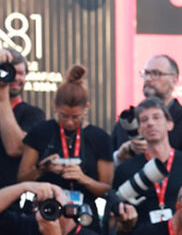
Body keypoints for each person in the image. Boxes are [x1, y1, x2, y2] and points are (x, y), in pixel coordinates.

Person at [17, 65, 113, 221]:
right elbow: (21, 179)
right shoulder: (40, 132)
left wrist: (83, 178)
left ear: (86, 108)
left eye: (76, 117)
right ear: (55, 105)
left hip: (84, 216)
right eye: (63, 116)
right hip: (45, 211)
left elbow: (107, 189)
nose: (69, 122)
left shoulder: (100, 138)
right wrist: (42, 169)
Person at [113, 98, 182, 226]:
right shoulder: (125, 170)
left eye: (156, 117)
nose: (150, 123)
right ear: (139, 129)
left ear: (170, 124)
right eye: (144, 120)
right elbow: (115, 219)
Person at [112, 55, 182, 165]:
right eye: (146, 73)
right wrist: (119, 157)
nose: (148, 79)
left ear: (174, 79)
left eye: (156, 74)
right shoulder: (127, 120)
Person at [0, 48, 45, 189]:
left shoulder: (33, 114)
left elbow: (16, 148)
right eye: (9, 71)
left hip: (12, 198)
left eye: (20, 73)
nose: (14, 77)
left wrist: (2, 93)